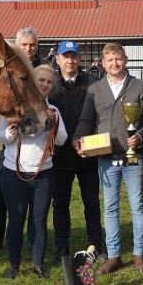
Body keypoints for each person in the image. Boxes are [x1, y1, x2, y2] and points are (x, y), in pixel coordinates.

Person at [73, 42, 143, 274]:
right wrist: (78, 139)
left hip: (133, 157)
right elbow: (86, 120)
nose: (114, 63)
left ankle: (139, 254)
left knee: (137, 206)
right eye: (110, 60)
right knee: (109, 207)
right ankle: (114, 254)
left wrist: (139, 136)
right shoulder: (95, 90)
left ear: (125, 60)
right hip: (107, 158)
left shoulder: (140, 87)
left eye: (118, 59)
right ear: (103, 62)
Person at [0, 64, 68, 279]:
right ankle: (14, 265)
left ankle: (38, 264)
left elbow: (62, 140)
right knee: (16, 220)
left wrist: (54, 123)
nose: (45, 84)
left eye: (49, 81)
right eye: (41, 80)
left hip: (43, 174)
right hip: (14, 172)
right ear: (32, 82)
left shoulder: (53, 111)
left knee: (39, 220)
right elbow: (1, 138)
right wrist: (10, 132)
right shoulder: (13, 108)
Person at [0, 28, 43, 256]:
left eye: (32, 45)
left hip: (35, 145)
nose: (28, 49)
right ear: (16, 45)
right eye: (24, 45)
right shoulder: (3, 69)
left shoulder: (41, 70)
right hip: (6, 144)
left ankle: (31, 238)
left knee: (33, 196)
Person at [48, 40, 103, 261]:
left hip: (87, 155)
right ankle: (61, 245)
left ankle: (95, 244)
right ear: (57, 59)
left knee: (91, 202)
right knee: (60, 203)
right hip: (60, 156)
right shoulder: (49, 85)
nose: (70, 61)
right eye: (65, 56)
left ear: (80, 59)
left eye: (74, 56)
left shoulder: (93, 83)